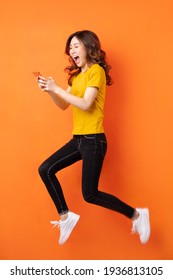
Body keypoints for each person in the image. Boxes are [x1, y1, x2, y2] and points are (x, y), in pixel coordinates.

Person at [37, 30, 150, 245]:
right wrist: (50, 91)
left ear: (89, 47)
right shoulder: (77, 76)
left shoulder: (96, 71)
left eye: (76, 46)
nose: (72, 50)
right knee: (45, 169)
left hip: (94, 140)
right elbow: (64, 106)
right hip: (78, 139)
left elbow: (86, 104)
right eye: (70, 47)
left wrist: (57, 89)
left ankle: (137, 215)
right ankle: (66, 216)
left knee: (90, 194)